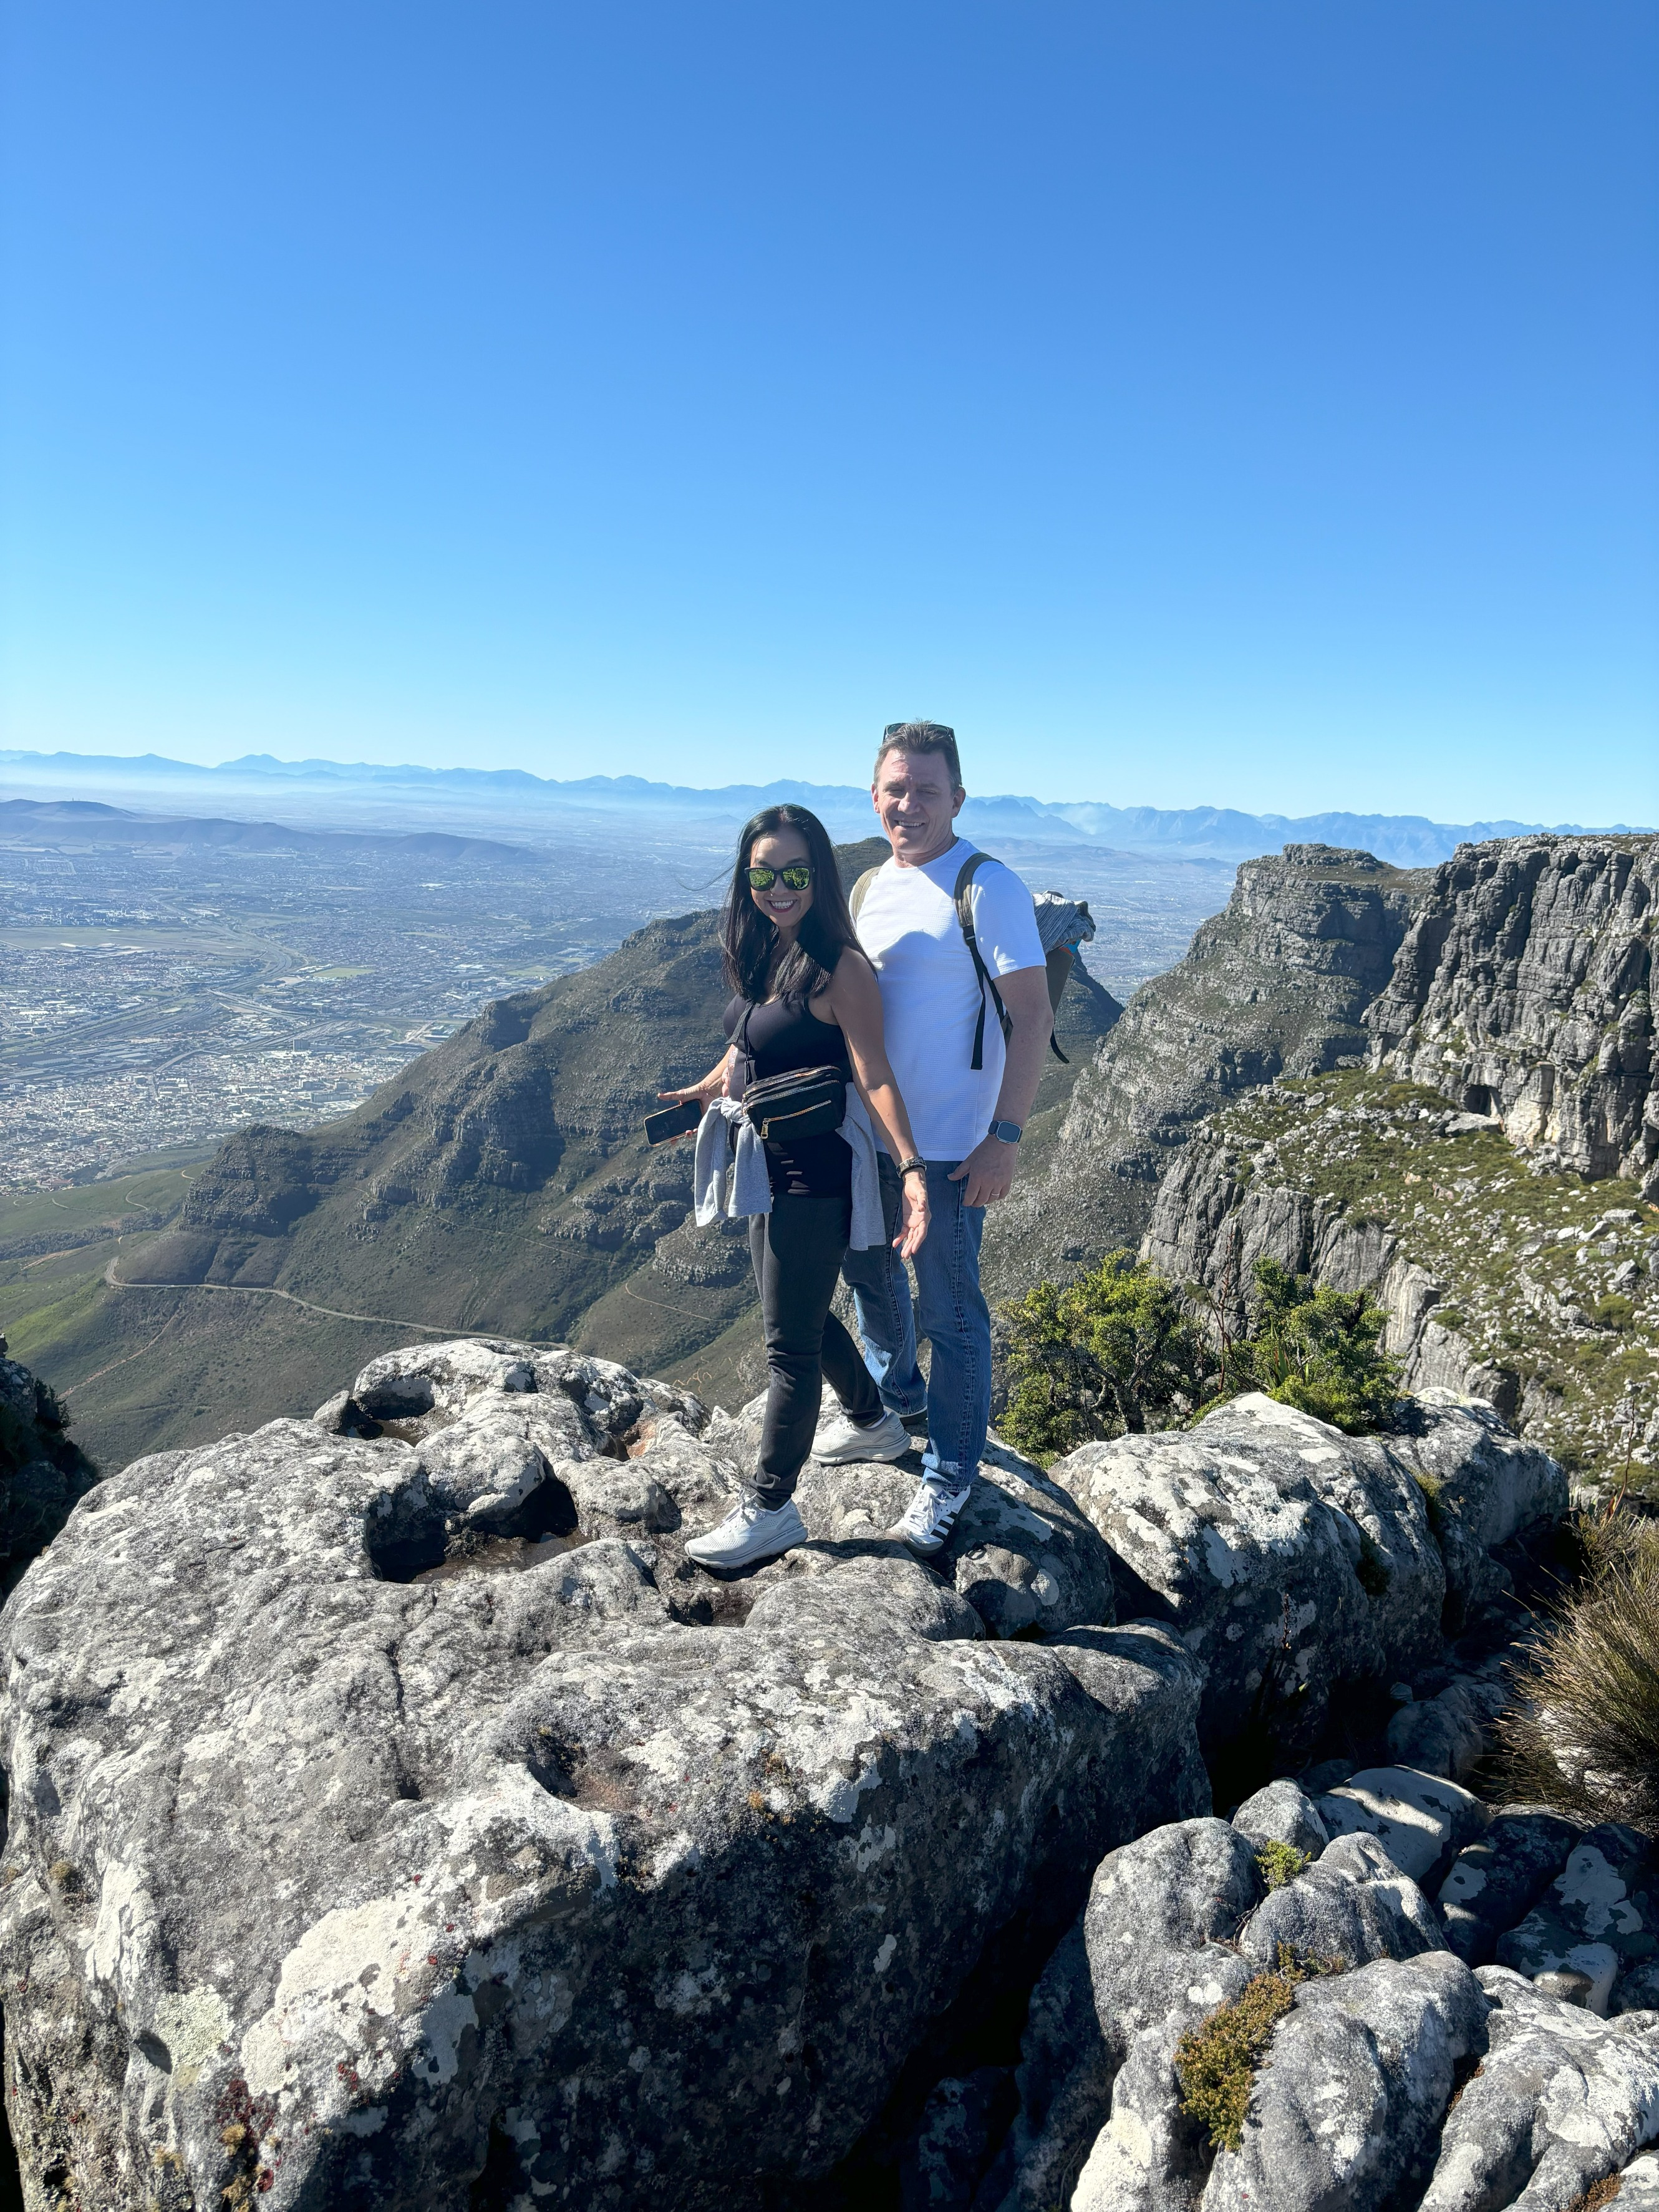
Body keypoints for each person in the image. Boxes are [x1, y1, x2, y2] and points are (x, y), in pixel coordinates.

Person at [659, 803, 930, 1571]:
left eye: (795, 874)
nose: (778, 887)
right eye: (763, 874)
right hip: (765, 1172)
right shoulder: (762, 952)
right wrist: (707, 1089)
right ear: (747, 878)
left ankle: (772, 1507)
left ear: (820, 877)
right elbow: (747, 1042)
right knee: (798, 1320)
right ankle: (873, 1420)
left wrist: (909, 1169)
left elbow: (872, 1072)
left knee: (787, 1349)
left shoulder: (838, 965)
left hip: (816, 1178)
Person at [841, 722, 1052, 1555]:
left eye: (928, 789)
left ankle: (949, 1474)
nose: (910, 803)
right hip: (873, 1136)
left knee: (952, 1312)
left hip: (954, 1147)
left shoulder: (986, 885)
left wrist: (1004, 1136)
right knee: (869, 1282)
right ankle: (900, 1408)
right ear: (875, 795)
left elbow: (1032, 1014)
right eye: (897, 787)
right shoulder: (866, 888)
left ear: (957, 798)